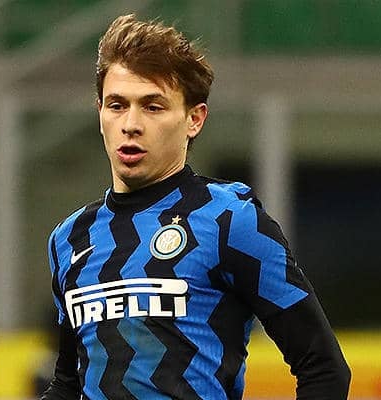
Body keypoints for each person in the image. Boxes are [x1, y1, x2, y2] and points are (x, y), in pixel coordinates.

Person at [41, 14, 350, 400]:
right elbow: (68, 385)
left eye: (153, 107)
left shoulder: (229, 221)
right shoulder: (70, 238)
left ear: (194, 119)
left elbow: (323, 368)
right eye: (117, 105)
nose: (131, 124)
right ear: (100, 113)